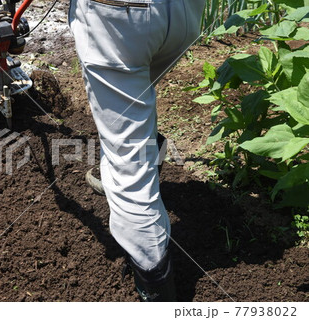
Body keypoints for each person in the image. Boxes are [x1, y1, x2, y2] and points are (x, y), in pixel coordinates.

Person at [68, 0, 206, 301]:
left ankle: (157, 290)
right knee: (135, 98)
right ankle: (146, 151)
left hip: (120, 15)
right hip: (185, 15)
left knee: (128, 168)